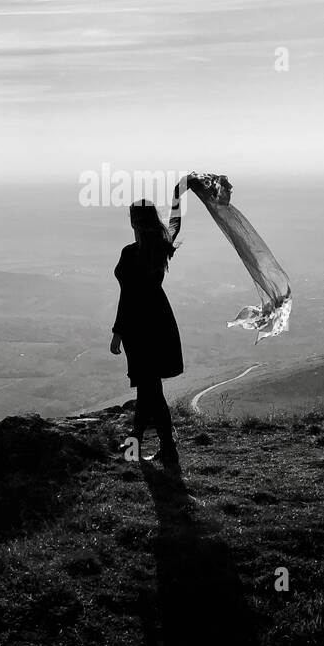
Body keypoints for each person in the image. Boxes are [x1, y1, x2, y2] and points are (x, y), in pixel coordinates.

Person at [110, 178, 189, 461]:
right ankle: (135, 443)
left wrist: (118, 332)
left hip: (139, 327)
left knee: (151, 390)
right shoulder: (160, 245)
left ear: (134, 220)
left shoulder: (132, 253)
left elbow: (128, 297)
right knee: (148, 388)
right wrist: (180, 191)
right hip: (160, 320)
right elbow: (175, 222)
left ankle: (168, 450)